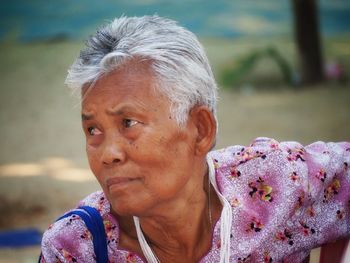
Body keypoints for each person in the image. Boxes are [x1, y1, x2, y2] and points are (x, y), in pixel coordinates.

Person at [40, 15, 350, 263]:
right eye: (93, 130)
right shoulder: (78, 248)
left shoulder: (276, 185)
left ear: (200, 130)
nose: (108, 154)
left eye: (128, 123)